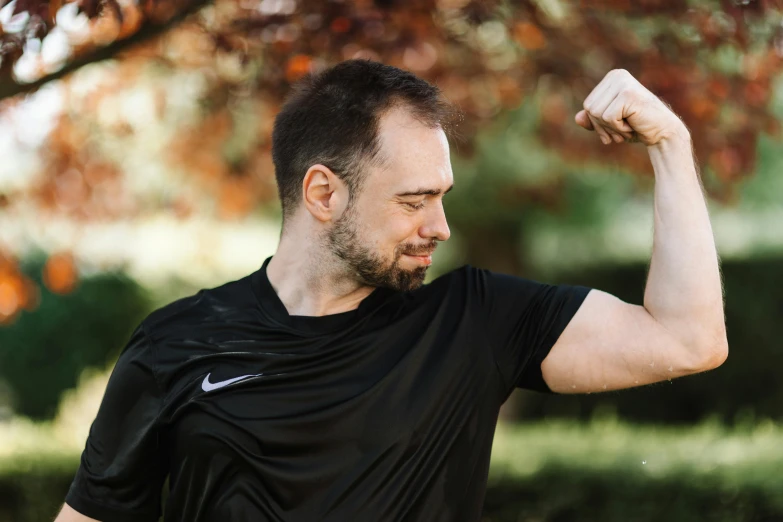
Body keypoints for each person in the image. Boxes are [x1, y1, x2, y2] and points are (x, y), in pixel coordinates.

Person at [55, 59, 727, 522]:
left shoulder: (473, 322)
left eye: (442, 197)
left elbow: (686, 339)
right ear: (323, 193)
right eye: (414, 201)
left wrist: (670, 143)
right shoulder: (175, 343)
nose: (439, 225)